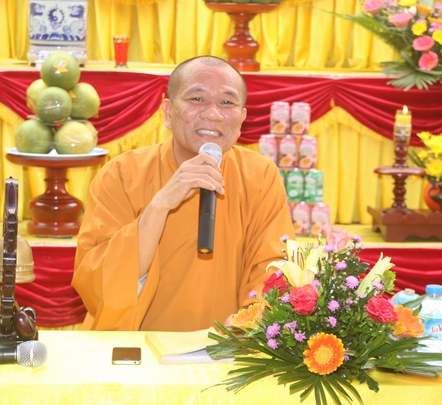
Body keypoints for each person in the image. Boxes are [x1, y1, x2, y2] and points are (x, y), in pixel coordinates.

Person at [72, 55, 293, 331]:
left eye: (227, 102)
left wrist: (250, 321)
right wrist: (159, 207)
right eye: (197, 99)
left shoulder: (259, 175)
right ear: (168, 112)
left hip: (225, 345)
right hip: (138, 343)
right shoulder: (122, 173)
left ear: (242, 119)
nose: (213, 114)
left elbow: (272, 267)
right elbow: (95, 277)